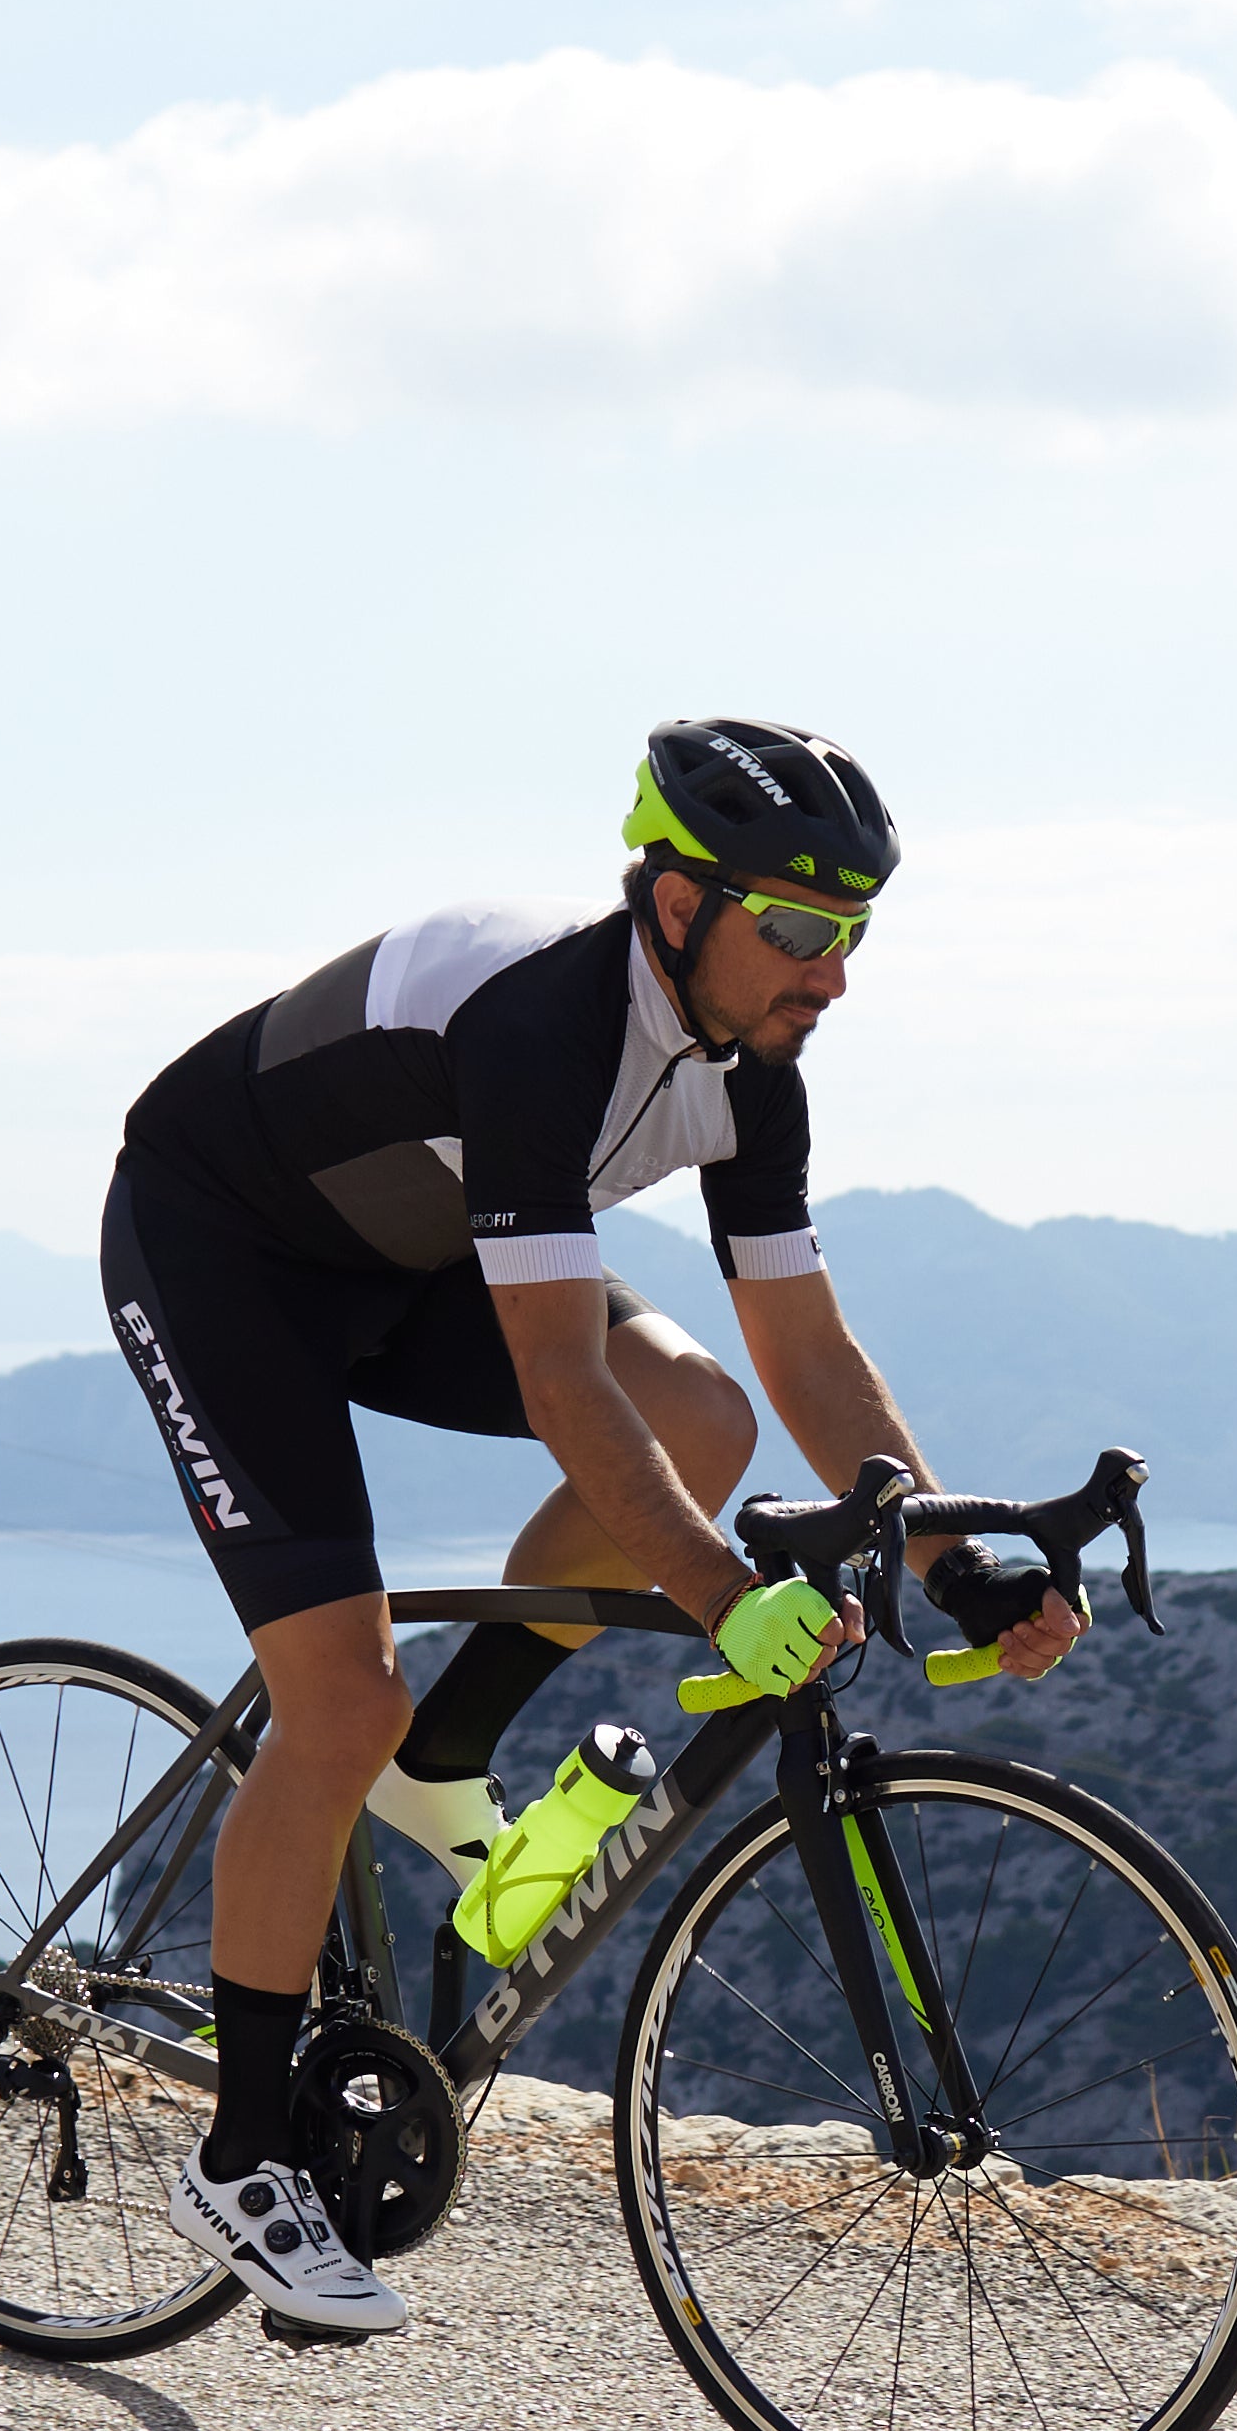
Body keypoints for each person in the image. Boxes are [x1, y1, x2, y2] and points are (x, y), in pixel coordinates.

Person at [95, 717, 1083, 2336]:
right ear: (679, 905)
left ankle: (446, 1750)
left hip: (406, 1266)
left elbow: (808, 1357)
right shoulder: (545, 1025)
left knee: (704, 1409)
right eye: (800, 927)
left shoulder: (755, 1071)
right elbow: (559, 1379)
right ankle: (244, 2149)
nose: (831, 975)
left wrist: (954, 1556)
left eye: (856, 934)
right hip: (224, 1256)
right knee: (340, 1696)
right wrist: (715, 1593)